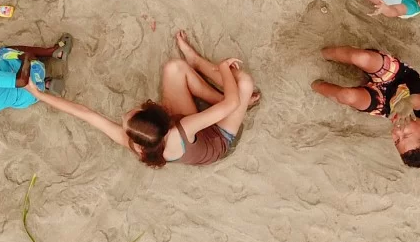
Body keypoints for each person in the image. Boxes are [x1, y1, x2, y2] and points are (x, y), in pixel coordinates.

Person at [29, 31, 257, 167]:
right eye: (133, 113)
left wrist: (40, 94)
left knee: (174, 69)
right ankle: (201, 65)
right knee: (244, 84)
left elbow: (85, 114)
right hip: (217, 138)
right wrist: (223, 68)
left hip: (191, 130)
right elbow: (232, 104)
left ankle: (207, 82)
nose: (125, 115)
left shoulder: (138, 143)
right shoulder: (180, 129)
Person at [312, 47, 420, 168]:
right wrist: (408, 103)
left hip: (384, 103)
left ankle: (313, 84)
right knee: (362, 58)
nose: (397, 132)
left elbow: (382, 109)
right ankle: (320, 53)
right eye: (406, 135)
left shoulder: (396, 121)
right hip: (399, 76)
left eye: (396, 141)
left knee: (347, 96)